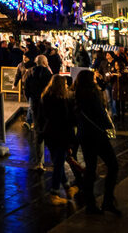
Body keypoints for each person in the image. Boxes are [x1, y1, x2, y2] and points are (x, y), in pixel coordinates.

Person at [74, 68, 120, 215]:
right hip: (97, 136)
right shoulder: (93, 94)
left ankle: (91, 203)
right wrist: (108, 126)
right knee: (113, 165)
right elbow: (100, 114)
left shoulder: (77, 94)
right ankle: (107, 200)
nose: (96, 80)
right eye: (93, 78)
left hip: (84, 135)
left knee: (91, 168)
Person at [38, 74, 78, 204]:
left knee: (57, 162)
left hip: (49, 133)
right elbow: (67, 120)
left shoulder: (45, 97)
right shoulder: (62, 101)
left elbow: (41, 116)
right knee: (59, 164)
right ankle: (54, 193)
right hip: (60, 135)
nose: (66, 87)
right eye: (65, 85)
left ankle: (67, 188)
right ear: (61, 86)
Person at [25, 55, 53, 170]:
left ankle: (39, 161)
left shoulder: (30, 73)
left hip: (35, 104)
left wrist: (30, 100)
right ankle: (54, 159)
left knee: (38, 131)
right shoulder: (48, 74)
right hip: (47, 105)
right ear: (45, 62)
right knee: (50, 131)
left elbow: (26, 89)